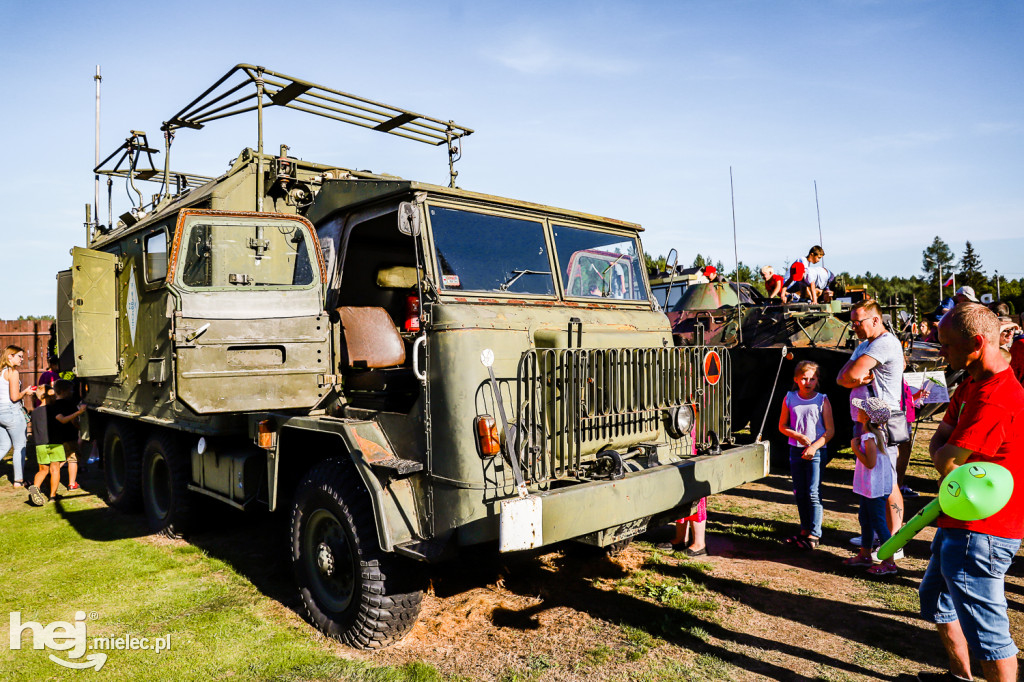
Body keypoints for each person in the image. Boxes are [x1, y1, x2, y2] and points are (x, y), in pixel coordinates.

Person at [918, 303, 1024, 682]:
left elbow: (946, 458)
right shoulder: (971, 382)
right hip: (959, 518)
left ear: (977, 343)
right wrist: (945, 454)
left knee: (990, 637)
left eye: (945, 344)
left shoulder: (994, 396)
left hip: (983, 531)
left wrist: (946, 455)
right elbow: (941, 445)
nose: (940, 350)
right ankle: (961, 677)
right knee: (936, 600)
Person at [837, 300, 905, 545]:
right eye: (852, 322)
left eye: (859, 322)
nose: (854, 326)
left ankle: (893, 540)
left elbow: (852, 375)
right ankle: (880, 535)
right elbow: (841, 378)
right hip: (867, 423)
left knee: (888, 482)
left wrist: (853, 379)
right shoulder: (866, 345)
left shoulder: (884, 343)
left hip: (881, 424)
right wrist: (853, 379)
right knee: (875, 481)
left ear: (876, 320)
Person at [778, 360, 834, 549]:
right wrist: (796, 435)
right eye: (804, 378)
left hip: (816, 453)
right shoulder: (789, 398)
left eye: (812, 379)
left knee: (812, 492)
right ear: (796, 379)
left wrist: (814, 447)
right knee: (799, 492)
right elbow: (782, 426)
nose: (807, 382)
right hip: (795, 450)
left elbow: (829, 431)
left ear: (817, 380)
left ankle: (814, 534)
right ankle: (804, 530)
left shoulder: (822, 399)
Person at [843, 396, 898, 576]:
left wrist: (855, 449)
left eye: (861, 410)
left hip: (874, 487)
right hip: (871, 486)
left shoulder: (869, 437)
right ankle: (865, 554)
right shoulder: (877, 434)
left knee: (878, 522)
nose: (857, 411)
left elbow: (870, 463)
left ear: (867, 417)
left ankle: (889, 562)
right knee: (865, 518)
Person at [0, 345, 41, 488]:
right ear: (10, 356)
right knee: (19, 447)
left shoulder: (1, 371)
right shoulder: (12, 372)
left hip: (1, 413)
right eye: (19, 356)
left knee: (3, 446)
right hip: (12, 412)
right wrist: (26, 392)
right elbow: (14, 397)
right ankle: (18, 481)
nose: (22, 359)